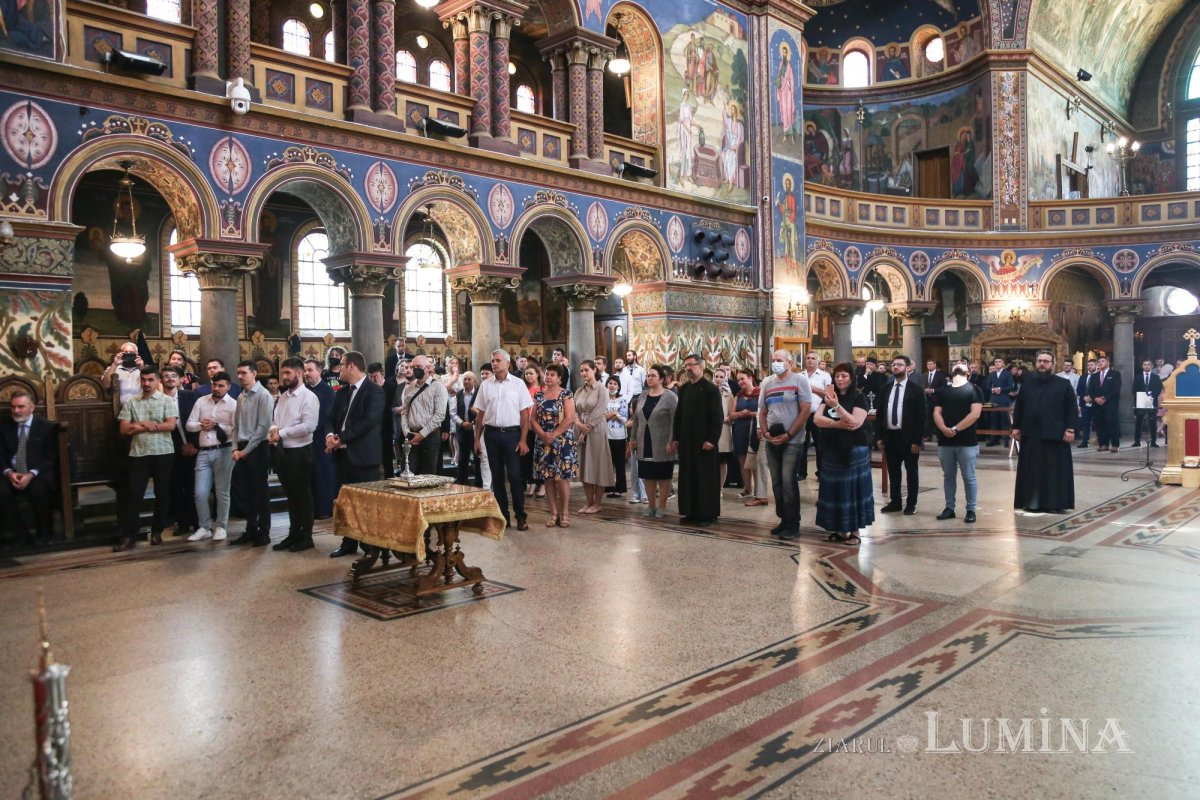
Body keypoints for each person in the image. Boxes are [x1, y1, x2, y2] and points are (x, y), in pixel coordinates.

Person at [327, 351, 385, 557]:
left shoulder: (374, 391)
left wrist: (340, 438)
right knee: (346, 502)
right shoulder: (342, 392)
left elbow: (368, 422)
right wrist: (329, 436)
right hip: (342, 455)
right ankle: (348, 542)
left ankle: (369, 543)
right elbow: (330, 418)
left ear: (351, 366)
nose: (338, 369)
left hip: (363, 456)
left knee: (366, 502)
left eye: (342, 365)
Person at [113, 366, 177, 552]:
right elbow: (124, 429)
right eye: (143, 380)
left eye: (150, 380)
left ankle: (157, 531)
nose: (146, 383)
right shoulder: (132, 402)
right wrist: (143, 425)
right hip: (138, 452)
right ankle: (130, 535)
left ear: (158, 381)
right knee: (134, 495)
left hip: (163, 452)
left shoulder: (166, 400)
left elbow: (171, 425)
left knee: (162, 494)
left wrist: (151, 426)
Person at [812, 364, 873, 544]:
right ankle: (838, 529)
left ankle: (855, 531)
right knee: (834, 490)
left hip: (854, 450)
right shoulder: (830, 396)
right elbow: (817, 419)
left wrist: (837, 406)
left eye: (844, 376)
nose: (840, 379)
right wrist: (837, 424)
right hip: (832, 448)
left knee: (851, 491)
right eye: (837, 376)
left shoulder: (858, 397)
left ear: (851, 378)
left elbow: (855, 423)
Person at [473, 349, 533, 531]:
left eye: (498, 360)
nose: (494, 363)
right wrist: (477, 439)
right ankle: (503, 517)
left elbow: (525, 414)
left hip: (512, 434)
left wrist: (523, 440)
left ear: (507, 363)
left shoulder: (518, 384)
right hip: (491, 435)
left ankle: (520, 516)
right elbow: (481, 414)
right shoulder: (485, 385)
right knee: (497, 478)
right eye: (493, 360)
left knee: (515, 476)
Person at [1012, 352, 1079, 513]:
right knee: (1031, 470)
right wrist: (1016, 427)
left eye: (1046, 361)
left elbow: (1071, 409)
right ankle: (1031, 502)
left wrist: (1070, 429)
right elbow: (1019, 407)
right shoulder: (1028, 383)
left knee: (1054, 471)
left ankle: (1054, 504)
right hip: (1031, 435)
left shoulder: (1063, 384)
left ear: (1053, 364)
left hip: (1055, 435)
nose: (1042, 364)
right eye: (1040, 361)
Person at [758, 349, 813, 539]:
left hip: (793, 440)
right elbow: (763, 411)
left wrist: (789, 434)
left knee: (789, 481)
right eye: (773, 360)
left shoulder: (800, 381)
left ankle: (793, 523)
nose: (776, 363)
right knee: (777, 483)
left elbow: (805, 411)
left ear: (789, 362)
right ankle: (783, 520)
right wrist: (765, 432)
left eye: (779, 360)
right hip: (771, 439)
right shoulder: (768, 383)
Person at [268, 357, 318, 552]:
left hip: (300, 452)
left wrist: (281, 433)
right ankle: (293, 533)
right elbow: (275, 419)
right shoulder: (283, 397)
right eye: (283, 373)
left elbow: (309, 426)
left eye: (288, 373)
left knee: (302, 495)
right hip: (282, 451)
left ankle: (306, 536)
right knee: (291, 495)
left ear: (299, 373)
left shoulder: (308, 397)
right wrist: (273, 430)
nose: (284, 377)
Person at [669, 354, 723, 526]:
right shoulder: (684, 389)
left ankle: (708, 514)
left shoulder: (711, 389)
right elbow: (678, 416)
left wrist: (712, 440)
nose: (688, 368)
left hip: (704, 442)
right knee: (688, 476)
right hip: (686, 442)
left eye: (691, 365)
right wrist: (676, 437)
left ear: (700, 366)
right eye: (686, 366)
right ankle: (690, 511)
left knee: (705, 478)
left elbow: (717, 417)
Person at [0, 391, 58, 544]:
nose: (16, 411)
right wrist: (9, 473)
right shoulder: (4, 428)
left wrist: (31, 474)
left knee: (39, 490)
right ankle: (21, 535)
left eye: (21, 407)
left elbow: (50, 457)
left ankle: (44, 534)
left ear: (31, 408)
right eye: (13, 407)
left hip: (37, 473)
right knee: (2, 492)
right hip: (12, 473)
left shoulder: (46, 427)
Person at [185, 371, 237, 542]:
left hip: (224, 450)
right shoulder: (201, 401)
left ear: (228, 387)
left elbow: (236, 429)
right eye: (215, 385)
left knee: (222, 491)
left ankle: (221, 526)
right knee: (199, 493)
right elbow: (189, 425)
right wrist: (201, 425)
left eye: (221, 386)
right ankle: (204, 527)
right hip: (204, 451)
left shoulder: (233, 405)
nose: (217, 388)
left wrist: (217, 426)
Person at [229, 360, 273, 547]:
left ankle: (264, 532)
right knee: (246, 492)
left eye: (243, 373)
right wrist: (234, 448)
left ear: (253, 373)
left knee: (260, 492)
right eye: (238, 373)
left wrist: (245, 451)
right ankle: (250, 530)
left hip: (258, 448)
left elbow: (263, 428)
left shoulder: (264, 395)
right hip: (242, 448)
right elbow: (236, 426)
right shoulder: (241, 396)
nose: (239, 376)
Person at [933, 363, 983, 524]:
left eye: (962, 365)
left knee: (968, 477)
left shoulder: (974, 389)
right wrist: (943, 428)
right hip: (945, 441)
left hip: (967, 441)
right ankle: (949, 508)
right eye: (956, 365)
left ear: (968, 372)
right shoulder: (943, 391)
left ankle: (971, 509)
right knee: (948, 476)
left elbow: (975, 414)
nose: (958, 367)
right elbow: (936, 412)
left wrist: (955, 429)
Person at [876, 355, 926, 515]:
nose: (896, 367)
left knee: (911, 471)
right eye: (894, 364)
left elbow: (922, 416)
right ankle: (895, 501)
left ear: (908, 367)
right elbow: (880, 414)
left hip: (909, 438)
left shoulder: (916, 389)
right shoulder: (886, 388)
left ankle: (911, 503)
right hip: (890, 437)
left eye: (899, 364)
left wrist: (917, 441)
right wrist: (879, 436)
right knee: (894, 471)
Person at [531, 363, 578, 527]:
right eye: (547, 374)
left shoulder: (566, 394)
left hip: (562, 440)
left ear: (559, 378)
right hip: (543, 441)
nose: (548, 377)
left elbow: (570, 417)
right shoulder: (538, 396)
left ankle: (565, 512)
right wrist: (543, 435)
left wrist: (554, 434)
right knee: (548, 478)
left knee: (561, 478)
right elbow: (532, 420)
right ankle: (553, 512)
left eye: (552, 375)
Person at [628, 365, 678, 518]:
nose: (649, 378)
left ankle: (662, 506)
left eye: (653, 376)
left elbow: (674, 422)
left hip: (663, 442)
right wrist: (633, 439)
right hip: (644, 441)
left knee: (663, 475)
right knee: (648, 474)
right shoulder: (642, 396)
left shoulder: (670, 397)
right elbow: (636, 420)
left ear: (662, 379)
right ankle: (651, 505)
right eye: (648, 376)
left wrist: (672, 441)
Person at [161, 366, 199, 536]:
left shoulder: (190, 397)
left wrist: (193, 445)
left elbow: (200, 420)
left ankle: (199, 524)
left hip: (192, 449)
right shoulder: (157, 400)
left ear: (180, 379)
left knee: (194, 488)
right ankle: (182, 523)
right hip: (170, 451)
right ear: (161, 380)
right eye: (166, 376)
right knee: (174, 489)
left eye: (173, 376)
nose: (170, 379)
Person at [574, 359, 614, 514]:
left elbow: (599, 411)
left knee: (598, 466)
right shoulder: (579, 390)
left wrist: (586, 429)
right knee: (584, 466)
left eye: (586, 370)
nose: (584, 373)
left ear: (594, 370)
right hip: (580, 429)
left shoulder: (602, 389)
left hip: (596, 430)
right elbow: (574, 410)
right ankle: (588, 502)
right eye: (581, 370)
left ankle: (597, 503)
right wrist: (578, 424)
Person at [397, 354, 448, 475]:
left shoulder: (438, 387)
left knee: (428, 474)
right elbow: (404, 412)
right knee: (408, 472)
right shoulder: (409, 388)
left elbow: (440, 415)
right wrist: (407, 433)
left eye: (419, 366)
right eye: (413, 367)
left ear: (428, 368)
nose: (415, 370)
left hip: (429, 435)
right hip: (411, 435)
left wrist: (422, 434)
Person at [304, 359, 336, 517]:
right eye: (305, 371)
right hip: (306, 439)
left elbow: (326, 415)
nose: (307, 374)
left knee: (322, 474)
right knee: (309, 475)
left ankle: (324, 509)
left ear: (319, 371)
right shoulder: (304, 389)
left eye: (310, 370)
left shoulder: (327, 391)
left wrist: (308, 428)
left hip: (320, 438)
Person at [799, 352, 830, 480]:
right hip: (802, 415)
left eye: (813, 358)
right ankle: (801, 472)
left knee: (820, 444)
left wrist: (812, 388)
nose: (810, 361)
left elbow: (829, 395)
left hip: (818, 414)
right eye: (808, 358)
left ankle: (821, 472)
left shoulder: (824, 376)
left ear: (818, 361)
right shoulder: (799, 376)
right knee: (802, 445)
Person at [731, 368, 760, 502]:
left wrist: (750, 414)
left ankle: (759, 490)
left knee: (755, 461)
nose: (740, 382)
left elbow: (763, 412)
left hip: (755, 428)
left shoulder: (759, 393)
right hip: (740, 429)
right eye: (738, 380)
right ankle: (748, 489)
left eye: (742, 378)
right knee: (742, 460)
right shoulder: (738, 395)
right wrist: (741, 414)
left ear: (750, 378)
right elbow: (732, 414)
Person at [1085, 355, 1121, 452]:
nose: (1100, 363)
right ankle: (1103, 444)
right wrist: (1095, 398)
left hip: (1110, 404)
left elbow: (1116, 390)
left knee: (1112, 424)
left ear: (1108, 363)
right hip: (1097, 404)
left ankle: (1115, 445)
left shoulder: (1115, 374)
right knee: (1100, 424)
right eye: (1099, 362)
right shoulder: (1094, 376)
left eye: (1102, 361)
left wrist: (1105, 398)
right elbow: (1090, 390)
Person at [452, 371, 482, 486]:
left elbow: (482, 411)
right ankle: (462, 482)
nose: (466, 381)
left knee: (477, 456)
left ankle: (479, 482)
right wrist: (462, 423)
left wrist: (473, 423)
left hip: (476, 429)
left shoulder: (479, 394)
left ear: (474, 381)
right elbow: (453, 413)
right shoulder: (458, 394)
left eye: (469, 379)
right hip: (462, 429)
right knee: (462, 457)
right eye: (465, 379)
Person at [522, 363, 545, 498]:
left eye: (531, 373)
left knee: (540, 457)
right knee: (527, 457)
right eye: (526, 373)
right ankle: (531, 483)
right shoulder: (523, 389)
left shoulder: (543, 389)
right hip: (526, 426)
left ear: (537, 374)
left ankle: (542, 484)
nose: (529, 376)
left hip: (539, 427)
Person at [603, 375, 629, 497]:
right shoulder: (603, 399)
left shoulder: (622, 400)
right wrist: (615, 413)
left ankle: (620, 488)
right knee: (607, 463)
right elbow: (600, 417)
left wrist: (609, 415)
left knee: (619, 463)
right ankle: (608, 488)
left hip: (619, 436)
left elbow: (624, 418)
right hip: (606, 435)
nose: (612, 385)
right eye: (610, 383)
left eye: (614, 383)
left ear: (618, 386)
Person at [369, 362, 395, 476]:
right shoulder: (368, 390)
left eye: (376, 376)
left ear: (382, 374)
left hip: (387, 427)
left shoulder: (392, 387)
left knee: (387, 458)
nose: (373, 379)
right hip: (373, 429)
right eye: (371, 377)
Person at [102, 341, 145, 409]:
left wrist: (141, 368)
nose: (128, 354)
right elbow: (105, 385)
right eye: (125, 352)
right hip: (118, 409)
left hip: (140, 408)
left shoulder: (144, 369)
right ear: (120, 354)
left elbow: (152, 386)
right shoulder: (113, 368)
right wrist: (115, 364)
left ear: (137, 354)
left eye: (131, 353)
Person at [1132, 359, 1164, 448]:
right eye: (1145, 364)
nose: (1146, 366)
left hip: (1151, 400)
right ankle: (1137, 441)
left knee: (1152, 421)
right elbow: (1134, 389)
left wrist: (1152, 395)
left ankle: (1153, 441)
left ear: (1151, 366)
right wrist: (1140, 397)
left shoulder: (1155, 377)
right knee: (1139, 421)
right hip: (1140, 400)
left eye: (1148, 364)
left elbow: (1158, 388)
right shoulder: (1138, 377)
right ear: (1142, 366)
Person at [984, 357, 1014, 446]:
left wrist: (1000, 389)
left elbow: (1010, 387)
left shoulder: (1007, 374)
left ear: (1003, 364)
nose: (997, 363)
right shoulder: (992, 374)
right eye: (996, 362)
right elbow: (987, 386)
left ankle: (1005, 440)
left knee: (1004, 420)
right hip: (993, 399)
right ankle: (993, 440)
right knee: (994, 420)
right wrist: (992, 389)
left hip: (1003, 399)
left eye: (999, 361)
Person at [1075, 358, 1096, 448]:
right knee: (1085, 423)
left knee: (1098, 423)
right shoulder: (1083, 377)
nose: (1089, 367)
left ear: (1096, 365)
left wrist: (1091, 397)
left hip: (1095, 403)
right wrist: (1084, 397)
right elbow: (1079, 389)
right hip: (1084, 403)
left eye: (1091, 365)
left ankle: (1102, 441)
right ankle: (1085, 441)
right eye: (1088, 365)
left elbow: (1099, 389)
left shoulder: (1099, 376)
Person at [923, 360, 947, 441]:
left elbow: (944, 387)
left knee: (938, 417)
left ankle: (939, 435)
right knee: (928, 418)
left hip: (937, 400)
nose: (929, 365)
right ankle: (928, 436)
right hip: (927, 400)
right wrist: (924, 390)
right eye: (928, 364)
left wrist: (933, 390)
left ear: (935, 365)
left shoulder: (940, 375)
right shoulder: (924, 375)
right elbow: (921, 386)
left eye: (931, 364)